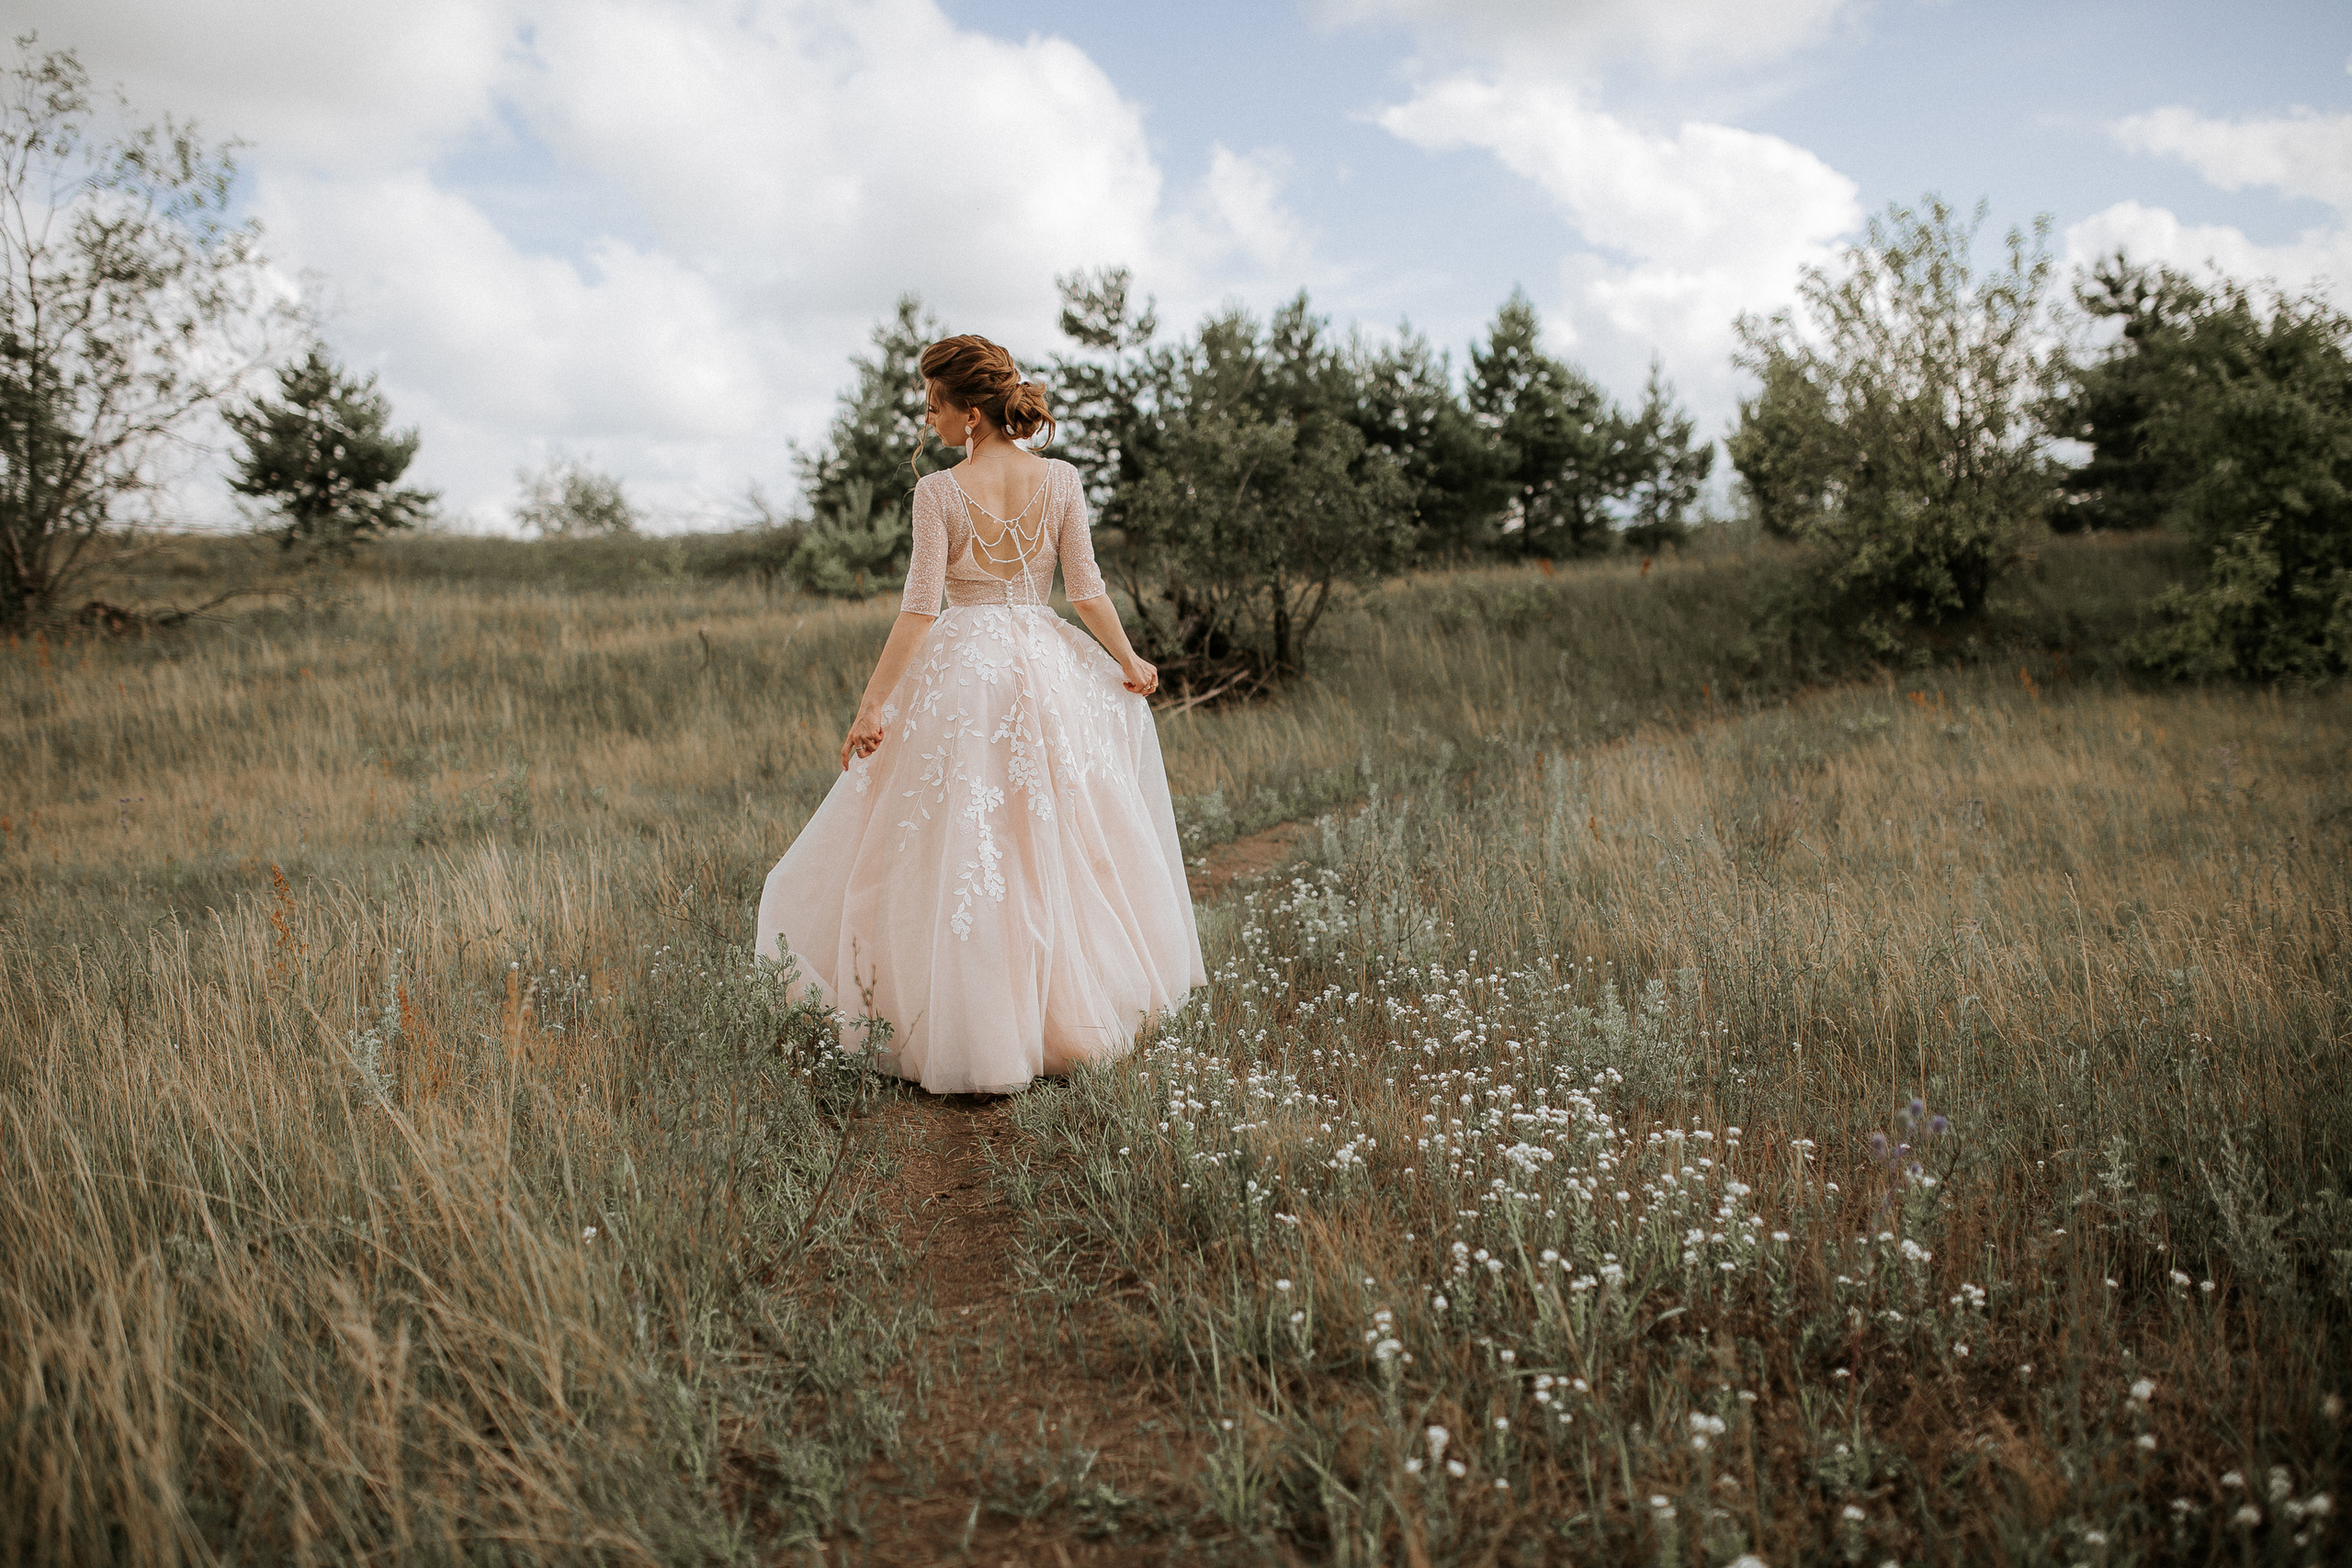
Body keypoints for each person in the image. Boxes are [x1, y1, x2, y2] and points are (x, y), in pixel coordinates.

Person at [754, 333, 1205, 1095]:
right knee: (1045, 836)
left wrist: (873, 705)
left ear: (970, 411)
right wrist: (1128, 660)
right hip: (1043, 669)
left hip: (965, 676)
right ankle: (1056, 1017)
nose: (927, 418)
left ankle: (975, 1024)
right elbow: (1085, 589)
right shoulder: (1061, 480)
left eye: (934, 403)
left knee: (966, 839)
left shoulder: (939, 493)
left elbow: (918, 609)